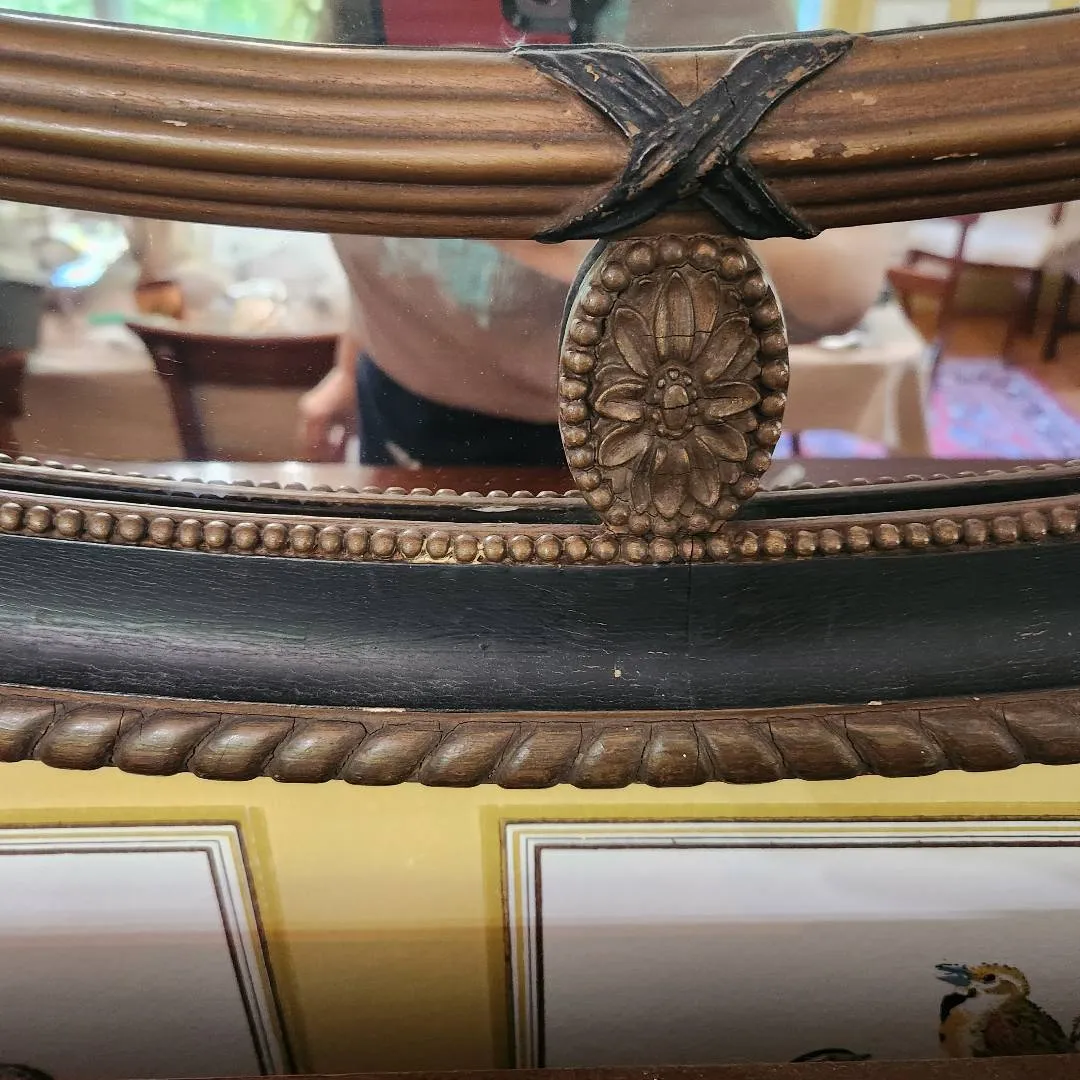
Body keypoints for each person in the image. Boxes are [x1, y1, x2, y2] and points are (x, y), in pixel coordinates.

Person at [298, 0, 898, 465]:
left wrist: (510, 198)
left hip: (621, 438)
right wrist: (351, 364)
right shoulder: (361, 19)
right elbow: (381, 231)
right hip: (394, 408)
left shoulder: (691, 20)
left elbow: (835, 287)